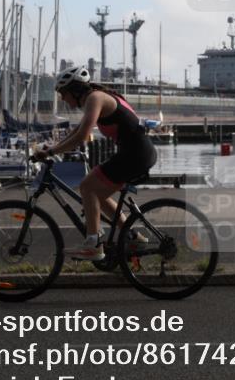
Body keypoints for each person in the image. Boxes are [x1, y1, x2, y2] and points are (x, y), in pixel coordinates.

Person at [36, 66, 157, 261]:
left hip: (136, 154)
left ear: (74, 90)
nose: (62, 99)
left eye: (63, 94)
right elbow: (77, 131)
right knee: (97, 194)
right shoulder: (95, 98)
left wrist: (51, 152)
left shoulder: (95, 98)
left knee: (87, 186)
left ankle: (93, 244)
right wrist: (52, 147)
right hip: (136, 153)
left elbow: (83, 136)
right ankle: (134, 237)